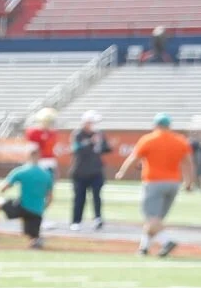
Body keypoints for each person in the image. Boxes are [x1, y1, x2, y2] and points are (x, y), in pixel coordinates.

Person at [115, 113, 192, 257]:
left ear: (155, 124)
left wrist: (122, 172)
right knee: (156, 219)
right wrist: (189, 181)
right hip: (174, 182)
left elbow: (134, 157)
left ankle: (167, 241)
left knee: (151, 217)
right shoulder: (180, 140)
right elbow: (188, 162)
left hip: (153, 181)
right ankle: (143, 248)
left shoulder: (149, 139)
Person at [0, 144, 53, 249]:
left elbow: (3, 188)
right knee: (33, 238)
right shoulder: (47, 174)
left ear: (28, 155)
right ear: (39, 156)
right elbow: (50, 199)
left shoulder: (22, 171)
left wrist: (1, 191)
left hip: (21, 207)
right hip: (36, 212)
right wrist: (41, 208)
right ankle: (35, 238)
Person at [68, 110, 109, 229]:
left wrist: (101, 144)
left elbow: (105, 149)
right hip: (80, 171)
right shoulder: (78, 134)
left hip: (96, 171)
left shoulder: (99, 134)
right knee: (79, 197)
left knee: (97, 196)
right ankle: (76, 221)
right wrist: (90, 142)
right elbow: (76, 149)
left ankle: (98, 218)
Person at [24, 107, 58, 172]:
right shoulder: (34, 132)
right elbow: (32, 150)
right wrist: (33, 164)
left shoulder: (52, 133)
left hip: (50, 162)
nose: (51, 123)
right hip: (39, 162)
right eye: (49, 121)